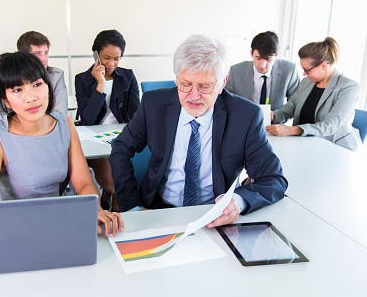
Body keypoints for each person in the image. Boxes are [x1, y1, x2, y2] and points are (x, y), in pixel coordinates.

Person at [110, 34, 287, 227]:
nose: (194, 96)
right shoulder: (153, 104)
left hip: (214, 215)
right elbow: (121, 149)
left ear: (222, 83)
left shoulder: (245, 116)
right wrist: (134, 207)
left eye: (204, 86)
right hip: (157, 210)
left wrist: (238, 202)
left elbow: (273, 179)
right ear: (177, 79)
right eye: (185, 84)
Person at [0, 52, 122, 237]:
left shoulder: (64, 123)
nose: (31, 97)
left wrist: (94, 208)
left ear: (48, 88)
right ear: (6, 101)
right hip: (15, 228)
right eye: (17, 90)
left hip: (59, 222)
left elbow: (83, 184)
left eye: (37, 84)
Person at [75, 29, 140, 212]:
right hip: (94, 139)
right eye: (106, 57)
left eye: (117, 58)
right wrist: (100, 84)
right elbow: (87, 119)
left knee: (120, 178)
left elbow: (135, 114)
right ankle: (112, 203)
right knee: (115, 185)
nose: (112, 63)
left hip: (121, 138)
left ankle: (113, 207)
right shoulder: (82, 79)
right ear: (95, 54)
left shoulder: (128, 76)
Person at [266, 37, 361, 151]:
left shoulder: (349, 87)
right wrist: (273, 116)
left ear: (324, 66)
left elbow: (330, 126)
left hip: (335, 148)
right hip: (303, 144)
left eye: (307, 70)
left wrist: (293, 130)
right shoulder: (307, 82)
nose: (304, 74)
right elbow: (289, 108)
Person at [0, 31, 68, 123]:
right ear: (24, 57)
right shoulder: (7, 78)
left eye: (46, 53)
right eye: (38, 54)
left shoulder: (56, 76)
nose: (44, 59)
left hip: (47, 131)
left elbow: (60, 115)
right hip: (15, 135)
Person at [226, 31, 300, 110]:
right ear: (251, 53)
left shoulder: (289, 70)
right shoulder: (234, 72)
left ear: (276, 55)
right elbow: (225, 101)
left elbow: (295, 102)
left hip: (274, 120)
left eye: (268, 59)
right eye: (258, 58)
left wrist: (276, 116)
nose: (262, 65)